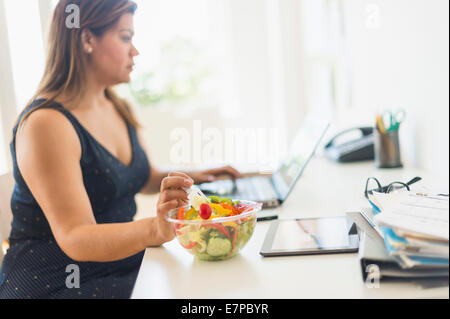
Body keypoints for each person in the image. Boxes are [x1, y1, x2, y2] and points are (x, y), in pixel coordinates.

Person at [0, 0, 241, 299]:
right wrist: (154, 229)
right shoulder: (46, 124)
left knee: (216, 279)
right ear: (87, 39)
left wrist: (195, 177)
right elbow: (75, 236)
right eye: (125, 37)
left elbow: (142, 176)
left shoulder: (118, 106)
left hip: (119, 262)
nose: (135, 50)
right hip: (57, 280)